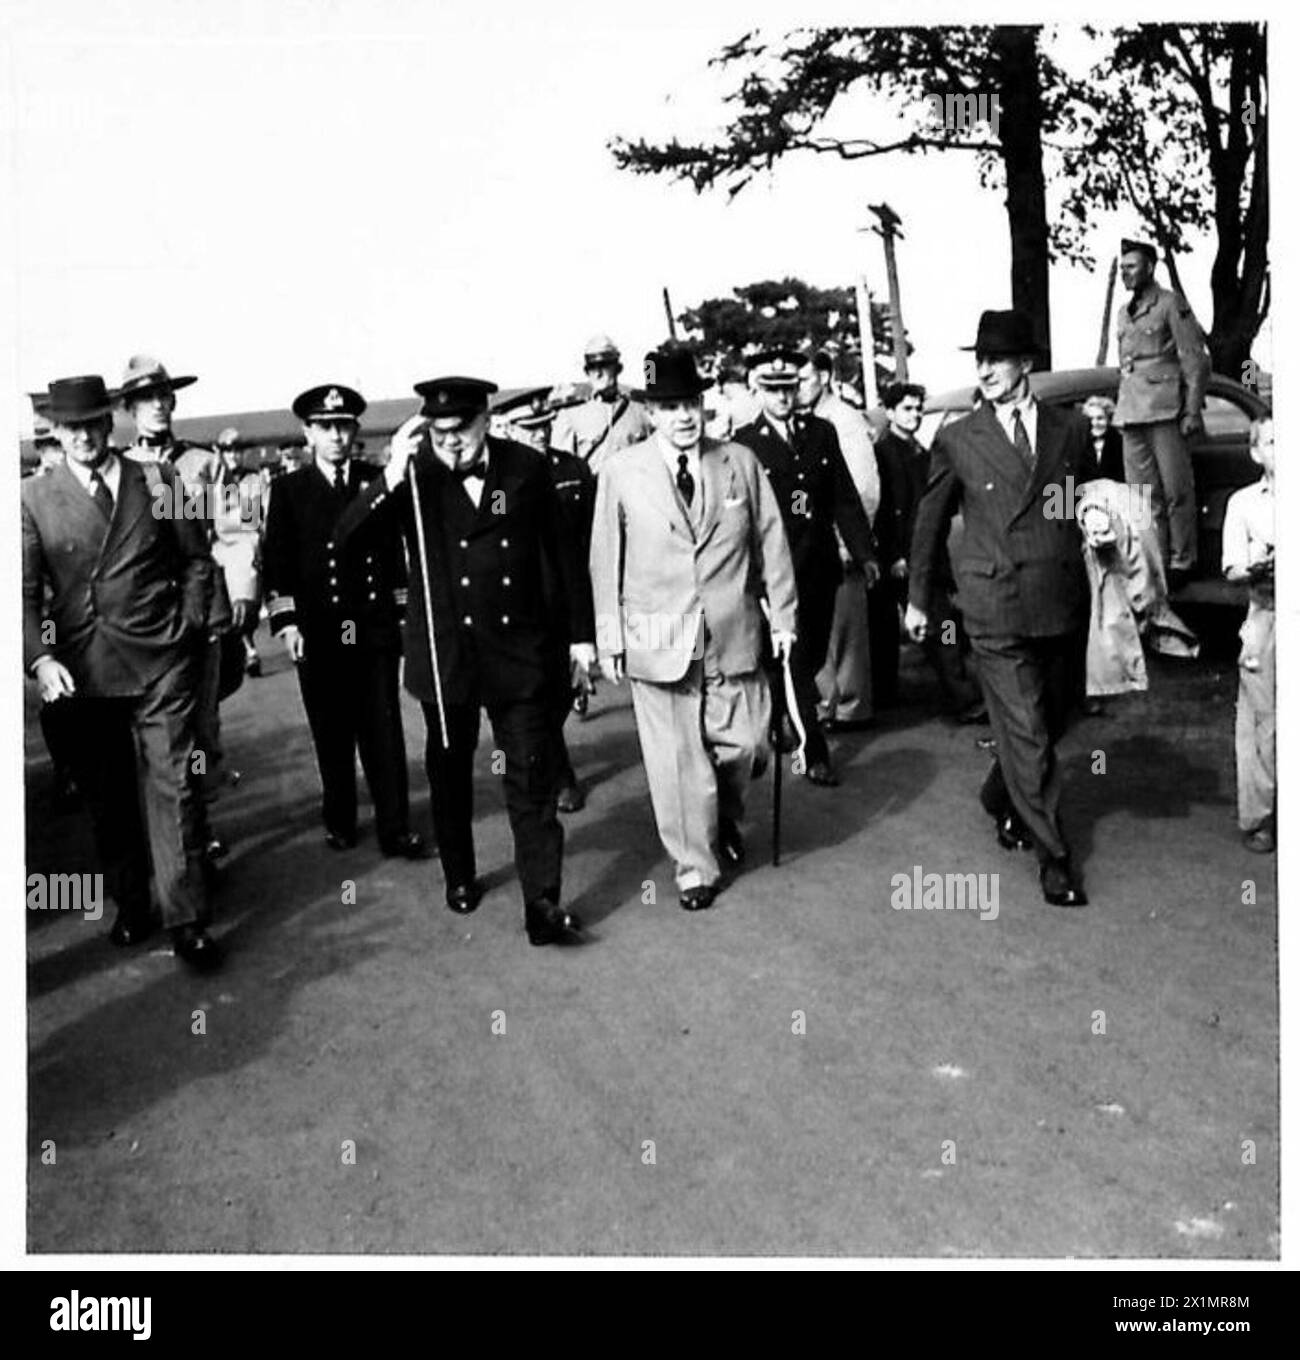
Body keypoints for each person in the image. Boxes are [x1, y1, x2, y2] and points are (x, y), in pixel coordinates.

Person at [343, 377, 595, 946]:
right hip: (446, 653)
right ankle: (459, 872)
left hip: (520, 651)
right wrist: (388, 475)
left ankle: (542, 902)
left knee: (529, 774)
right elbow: (348, 540)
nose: (450, 443)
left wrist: (581, 637)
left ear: (485, 420)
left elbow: (562, 557)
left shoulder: (525, 469)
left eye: (461, 430)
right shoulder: (411, 477)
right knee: (450, 770)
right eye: (439, 432)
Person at [590, 345, 798, 911]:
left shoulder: (740, 462)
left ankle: (723, 819)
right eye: (669, 406)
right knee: (679, 763)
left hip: (733, 633)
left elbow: (771, 540)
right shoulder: (621, 473)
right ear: (650, 413)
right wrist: (609, 637)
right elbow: (604, 558)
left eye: (691, 404)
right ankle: (694, 866)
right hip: (657, 641)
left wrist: (783, 615)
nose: (683, 416)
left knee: (748, 744)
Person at [23, 376, 221, 969]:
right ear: (52, 434)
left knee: (175, 786)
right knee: (110, 797)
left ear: (111, 423)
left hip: (163, 659)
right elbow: (23, 592)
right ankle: (134, 903)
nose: (82, 436)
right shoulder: (31, 499)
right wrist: (40, 656)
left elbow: (196, 559)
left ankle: (186, 918)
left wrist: (186, 624)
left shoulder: (160, 479)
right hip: (86, 671)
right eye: (69, 427)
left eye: (91, 424)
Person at [905, 309, 1097, 908]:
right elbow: (929, 524)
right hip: (994, 604)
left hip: (1060, 598)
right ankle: (1055, 857)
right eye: (979, 361)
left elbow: (1075, 504)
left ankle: (1000, 794)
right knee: (1027, 729)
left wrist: (1097, 529)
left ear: (1026, 364)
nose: (984, 371)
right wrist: (917, 598)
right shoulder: (959, 438)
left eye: (996, 360)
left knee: (1055, 716)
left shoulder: (1069, 430)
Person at [262, 384, 427, 860]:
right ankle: (340, 816)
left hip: (371, 625)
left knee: (383, 729)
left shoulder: (377, 480)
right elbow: (278, 562)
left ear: (355, 430)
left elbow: (396, 555)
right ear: (307, 433)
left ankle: (395, 827)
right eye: (325, 427)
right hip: (319, 630)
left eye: (344, 426)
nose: (336, 436)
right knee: (331, 731)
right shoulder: (289, 490)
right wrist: (288, 622)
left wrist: (401, 618)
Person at [119, 355, 256, 859]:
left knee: (200, 729)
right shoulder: (123, 471)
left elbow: (237, 529)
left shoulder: (205, 465)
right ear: (130, 409)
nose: (156, 406)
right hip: (143, 624)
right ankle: (171, 840)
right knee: (151, 737)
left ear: (173, 401)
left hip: (199, 620)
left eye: (163, 397)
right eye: (144, 400)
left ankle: (198, 826)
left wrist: (241, 588)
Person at [734, 349, 879, 787]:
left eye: (789, 388)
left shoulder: (822, 432)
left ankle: (778, 709)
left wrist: (865, 552)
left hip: (819, 565)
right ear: (758, 391)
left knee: (812, 653)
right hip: (775, 571)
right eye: (773, 390)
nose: (783, 397)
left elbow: (843, 497)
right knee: (795, 655)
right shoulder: (745, 443)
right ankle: (811, 750)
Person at [497, 386, 597, 814]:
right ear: (508, 429)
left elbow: (593, 537)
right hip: (522, 610)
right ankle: (558, 775)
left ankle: (550, 765)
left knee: (559, 694)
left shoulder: (572, 470)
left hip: (568, 599)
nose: (539, 434)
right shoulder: (498, 481)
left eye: (543, 426)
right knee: (535, 699)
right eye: (528, 428)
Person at [873, 381, 984, 722]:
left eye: (918, 408)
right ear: (890, 413)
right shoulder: (884, 452)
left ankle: (958, 694)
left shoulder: (920, 451)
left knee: (943, 626)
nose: (915, 414)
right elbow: (884, 507)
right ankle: (963, 700)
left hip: (928, 555)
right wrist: (893, 555)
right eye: (907, 408)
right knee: (939, 629)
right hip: (904, 559)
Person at [1113, 238, 1211, 587]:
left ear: (1150, 267)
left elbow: (1195, 359)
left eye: (1132, 266)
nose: (1125, 273)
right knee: (1141, 496)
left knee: (1176, 491)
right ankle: (1153, 560)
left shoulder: (1170, 304)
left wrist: (1193, 410)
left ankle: (1183, 561)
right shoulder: (1124, 313)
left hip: (1166, 409)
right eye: (1122, 267)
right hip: (1131, 411)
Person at [798, 349, 881, 728]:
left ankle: (850, 709)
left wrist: (851, 544)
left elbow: (862, 490)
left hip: (839, 543)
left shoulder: (844, 420)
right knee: (822, 632)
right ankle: (829, 705)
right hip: (811, 546)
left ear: (825, 377)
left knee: (846, 634)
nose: (797, 388)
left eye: (804, 379)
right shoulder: (806, 420)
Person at [1222, 417, 1275, 854]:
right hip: (1267, 616)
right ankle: (1260, 817)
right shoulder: (1244, 503)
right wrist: (1256, 568)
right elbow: (1233, 567)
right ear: (1257, 453)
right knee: (1264, 724)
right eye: (1274, 442)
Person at [551, 334, 652, 473]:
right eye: (592, 368)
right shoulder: (571, 416)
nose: (598, 374)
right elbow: (562, 473)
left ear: (618, 369)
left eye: (604, 366)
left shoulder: (641, 412)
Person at [215, 426, 266, 676]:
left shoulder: (254, 480)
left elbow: (252, 519)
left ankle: (248, 644)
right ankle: (247, 649)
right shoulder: (213, 481)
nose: (233, 456)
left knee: (248, 603)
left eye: (237, 451)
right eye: (227, 451)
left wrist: (223, 517)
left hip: (247, 546)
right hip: (219, 548)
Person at [1080, 395, 1126, 482]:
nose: (1094, 423)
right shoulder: (1080, 442)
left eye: (1100, 418)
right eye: (1090, 419)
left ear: (1108, 419)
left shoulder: (1120, 442)